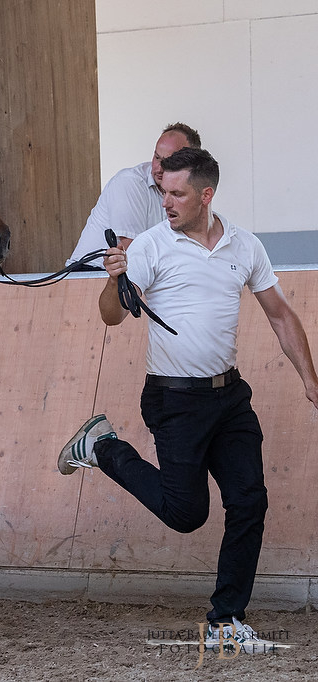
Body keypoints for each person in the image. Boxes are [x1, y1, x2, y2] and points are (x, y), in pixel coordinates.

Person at [58, 147, 318, 653]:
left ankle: (226, 620)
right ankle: (103, 446)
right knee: (186, 514)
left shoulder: (245, 246)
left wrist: (311, 379)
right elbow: (111, 315)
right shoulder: (153, 246)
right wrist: (116, 278)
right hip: (174, 399)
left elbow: (282, 316)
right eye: (162, 192)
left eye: (177, 194)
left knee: (249, 501)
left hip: (230, 398)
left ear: (206, 195)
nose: (167, 202)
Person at [66, 123, 201, 270]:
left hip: (134, 278)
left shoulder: (189, 192)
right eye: (156, 157)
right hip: (91, 273)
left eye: (169, 161)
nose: (158, 168)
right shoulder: (129, 182)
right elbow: (134, 254)